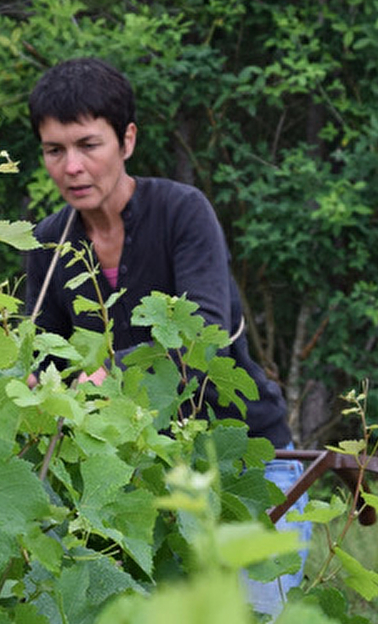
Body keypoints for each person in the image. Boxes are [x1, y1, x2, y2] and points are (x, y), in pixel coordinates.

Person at [19, 57, 308, 617]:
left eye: (88, 145)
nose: (72, 167)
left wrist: (105, 375)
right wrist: (29, 383)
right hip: (130, 473)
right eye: (55, 150)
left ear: (126, 140)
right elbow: (43, 354)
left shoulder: (182, 211)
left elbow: (205, 335)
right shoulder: (49, 242)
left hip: (241, 459)